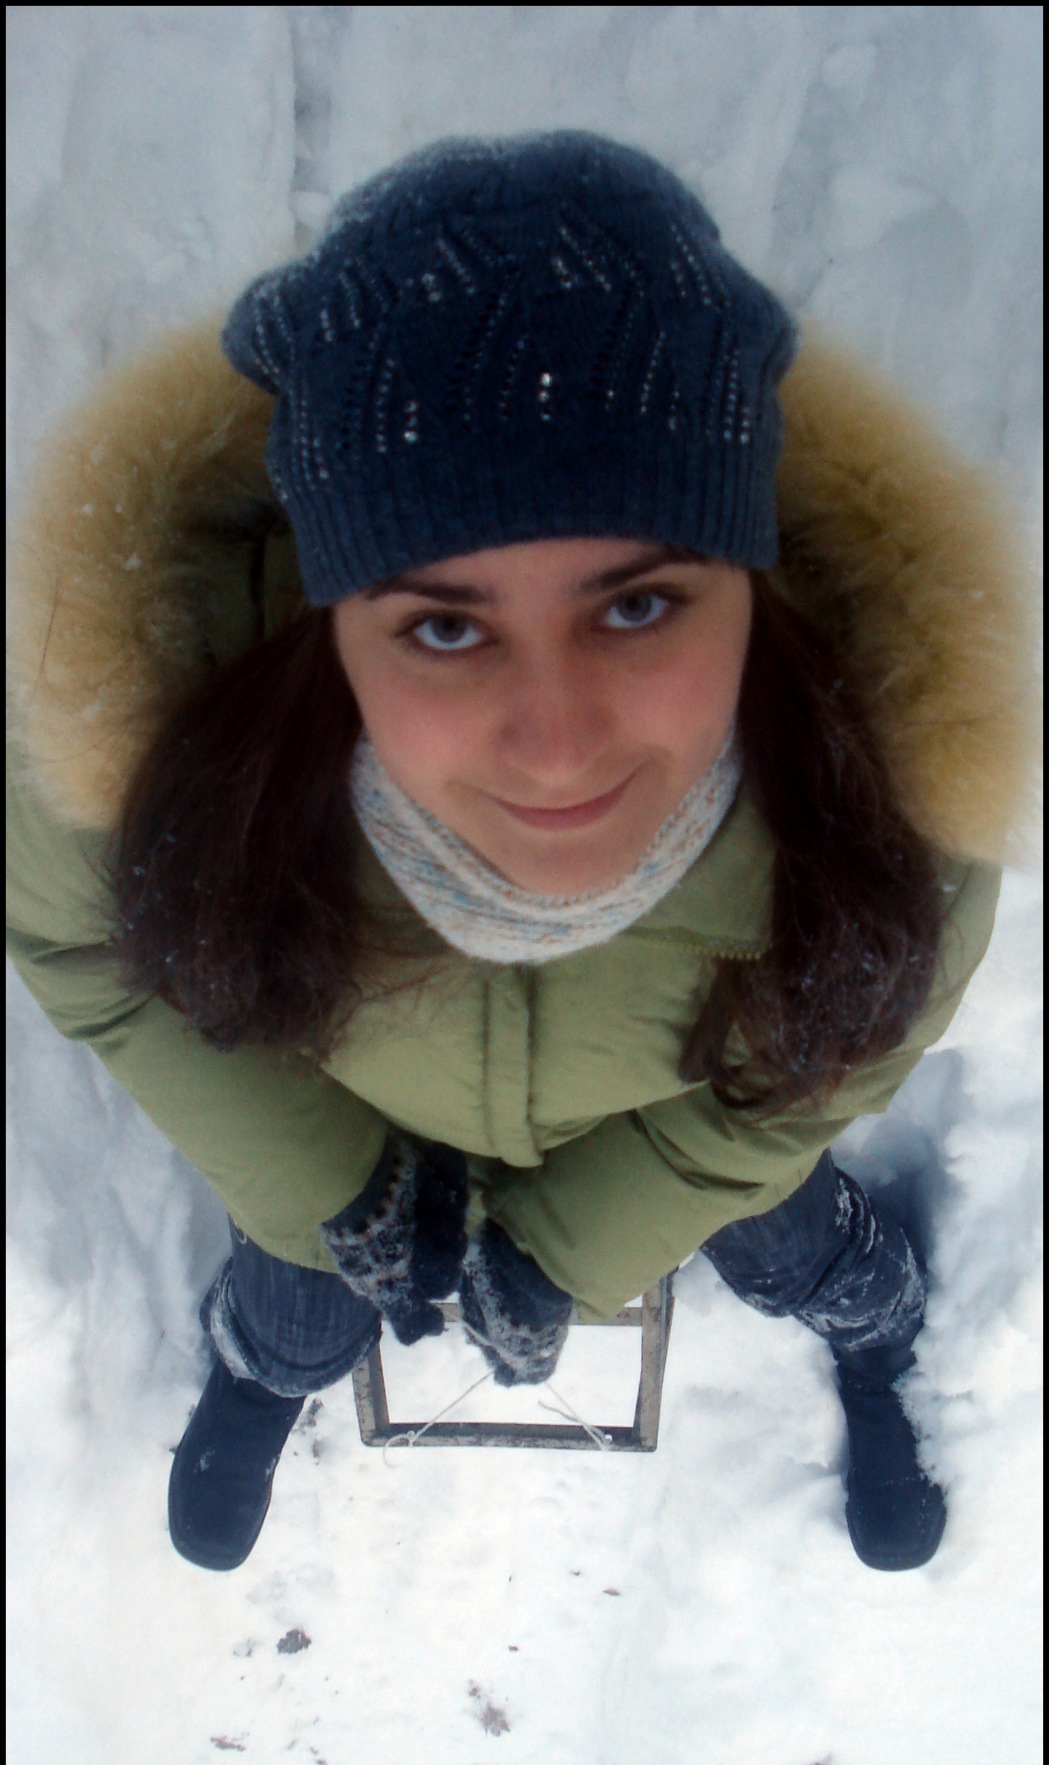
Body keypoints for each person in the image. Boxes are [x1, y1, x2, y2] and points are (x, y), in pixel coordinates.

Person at [6, 133, 1036, 1577]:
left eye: (637, 607)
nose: (555, 749)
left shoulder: (880, 786)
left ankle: (873, 1325)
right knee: (302, 1293)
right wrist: (328, 1189)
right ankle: (271, 1360)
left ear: (748, 576)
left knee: (786, 1230)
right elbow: (82, 947)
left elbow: (851, 1041)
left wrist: (587, 1241)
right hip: (339, 1130)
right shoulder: (147, 743)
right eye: (444, 625)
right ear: (328, 612)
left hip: (694, 1119)